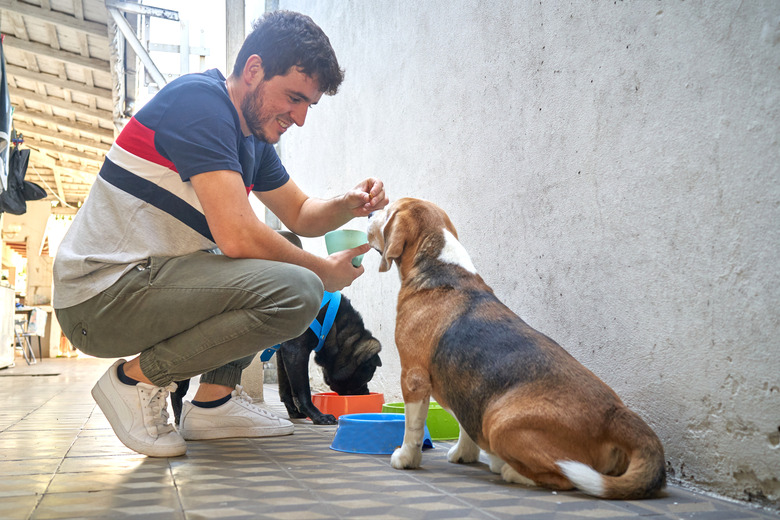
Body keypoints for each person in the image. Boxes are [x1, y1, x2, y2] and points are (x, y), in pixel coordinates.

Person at [52, 10, 388, 458]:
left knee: (287, 251)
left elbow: (301, 214)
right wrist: (324, 274)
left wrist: (348, 203)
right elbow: (238, 236)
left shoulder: (252, 138)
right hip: (100, 297)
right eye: (294, 98)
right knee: (299, 288)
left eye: (309, 104)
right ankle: (134, 381)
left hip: (146, 283)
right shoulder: (200, 105)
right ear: (253, 70)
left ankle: (215, 403)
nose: (300, 117)